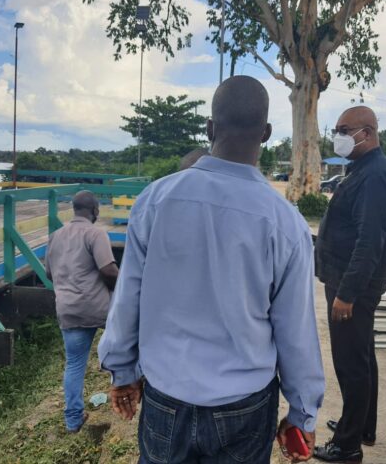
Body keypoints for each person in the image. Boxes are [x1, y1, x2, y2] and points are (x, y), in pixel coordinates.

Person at [98, 75, 325, 464]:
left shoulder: (155, 201)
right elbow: (295, 329)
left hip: (165, 397)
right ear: (266, 133)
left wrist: (122, 372)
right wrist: (302, 412)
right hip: (243, 407)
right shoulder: (285, 223)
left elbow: (128, 297)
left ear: (209, 128)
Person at [313, 107, 386, 463]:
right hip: (351, 280)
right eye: (337, 130)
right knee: (362, 356)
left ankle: (347, 445)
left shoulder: (375, 175)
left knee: (351, 363)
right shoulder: (363, 169)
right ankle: (361, 425)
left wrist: (347, 294)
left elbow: (369, 241)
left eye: (345, 130)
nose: (339, 136)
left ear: (368, 132)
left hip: (354, 287)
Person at [45, 190, 119, 433]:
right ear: (95, 211)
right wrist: (123, 289)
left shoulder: (55, 236)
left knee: (75, 364)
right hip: (98, 308)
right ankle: (127, 395)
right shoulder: (95, 233)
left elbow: (49, 273)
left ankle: (73, 420)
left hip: (68, 309)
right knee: (126, 347)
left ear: (74, 209)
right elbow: (108, 270)